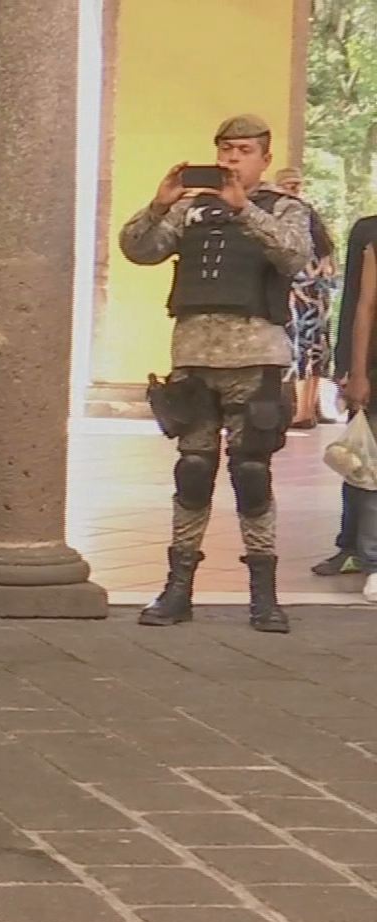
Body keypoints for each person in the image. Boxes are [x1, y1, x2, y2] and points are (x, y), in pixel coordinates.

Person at [118, 114, 312, 632]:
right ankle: (177, 589)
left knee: (252, 475)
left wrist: (245, 210)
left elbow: (296, 258)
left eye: (243, 150)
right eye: (225, 149)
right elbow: (138, 249)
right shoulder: (190, 210)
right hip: (194, 360)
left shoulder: (285, 209)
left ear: (264, 158)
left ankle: (264, 597)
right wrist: (160, 202)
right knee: (193, 472)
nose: (231, 159)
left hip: (257, 360)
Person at [316, 212, 377, 578]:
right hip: (372, 368)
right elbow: (359, 304)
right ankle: (359, 550)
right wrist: (351, 370)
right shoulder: (369, 232)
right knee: (362, 460)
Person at [273, 168, 337, 430]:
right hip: (297, 292)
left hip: (309, 293)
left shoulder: (306, 212)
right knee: (301, 349)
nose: (294, 189)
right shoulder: (278, 213)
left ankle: (306, 409)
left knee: (312, 349)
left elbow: (327, 251)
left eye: (297, 185)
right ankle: (303, 408)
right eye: (288, 185)